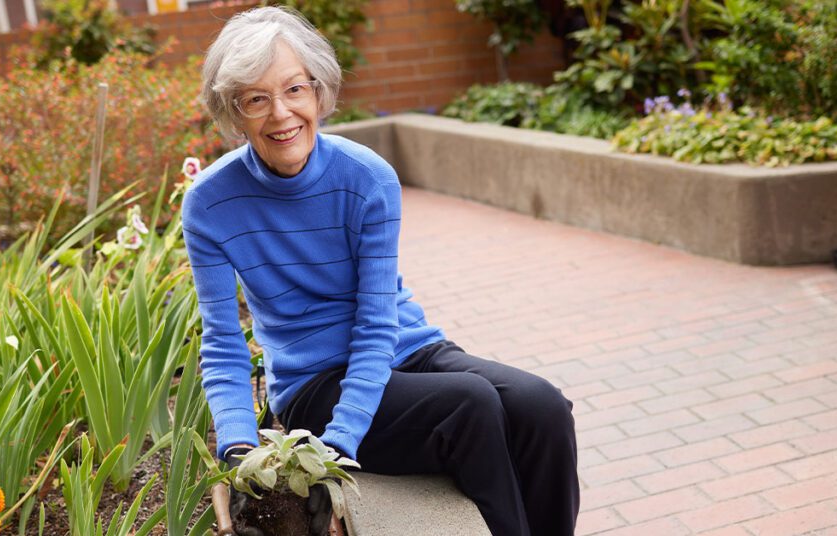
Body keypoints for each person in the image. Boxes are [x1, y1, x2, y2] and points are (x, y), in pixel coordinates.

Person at [183, 6, 579, 535]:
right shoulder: (210, 203)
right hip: (314, 383)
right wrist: (239, 448)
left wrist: (343, 443)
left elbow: (375, 323)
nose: (280, 113)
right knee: (471, 406)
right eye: (256, 99)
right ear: (233, 112)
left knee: (541, 406)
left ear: (319, 92)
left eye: (295, 89)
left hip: (404, 347)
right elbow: (223, 342)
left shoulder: (368, 178)